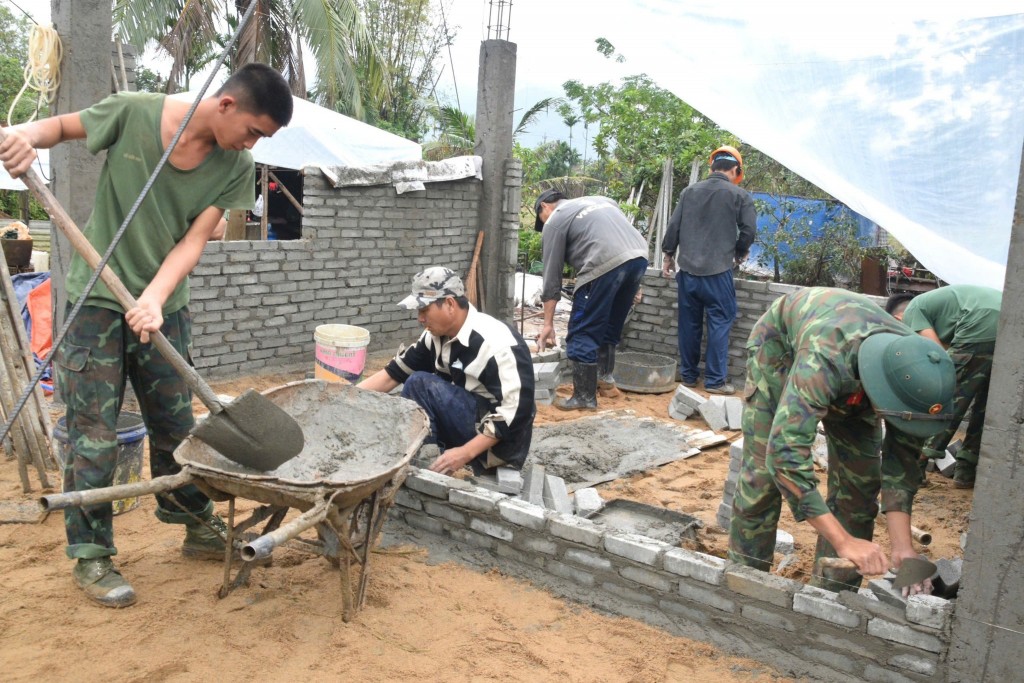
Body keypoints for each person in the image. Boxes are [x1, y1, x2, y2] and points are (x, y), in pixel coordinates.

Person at [0, 63, 293, 608]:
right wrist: (22, 137)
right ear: (226, 104)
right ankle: (91, 554)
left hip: (165, 309)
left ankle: (194, 523)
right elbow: (59, 128)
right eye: (253, 131)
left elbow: (193, 241)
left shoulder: (236, 165)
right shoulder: (134, 112)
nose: (252, 144)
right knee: (93, 433)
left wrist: (155, 298)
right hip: (95, 303)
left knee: (177, 426)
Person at [729, 287, 955, 593]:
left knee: (859, 490)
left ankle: (830, 598)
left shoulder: (916, 382)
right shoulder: (826, 358)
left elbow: (901, 468)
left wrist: (903, 547)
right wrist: (844, 541)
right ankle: (744, 586)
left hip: (859, 372)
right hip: (782, 349)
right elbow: (785, 456)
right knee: (763, 480)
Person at [358, 267, 535, 476]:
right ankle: (428, 459)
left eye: (424, 310)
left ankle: (428, 464)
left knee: (420, 385)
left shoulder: (497, 344)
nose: (420, 318)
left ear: (450, 304)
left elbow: (517, 413)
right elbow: (393, 374)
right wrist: (345, 397)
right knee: (403, 405)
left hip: (498, 448)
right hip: (467, 426)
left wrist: (464, 453)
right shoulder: (435, 337)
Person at [534, 190, 648, 410]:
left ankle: (584, 397)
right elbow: (621, 242)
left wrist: (548, 324)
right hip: (638, 258)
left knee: (583, 330)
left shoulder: (555, 220)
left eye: (541, 220)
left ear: (545, 206)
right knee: (610, 325)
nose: (544, 225)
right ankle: (605, 381)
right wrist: (635, 284)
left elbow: (552, 277)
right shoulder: (603, 200)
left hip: (603, 263)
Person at [661, 145, 756, 395]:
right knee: (720, 323)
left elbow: (673, 226)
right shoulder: (739, 195)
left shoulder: (689, 192)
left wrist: (668, 256)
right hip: (718, 273)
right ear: (735, 170)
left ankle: (689, 376)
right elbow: (748, 230)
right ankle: (715, 381)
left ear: (712, 167)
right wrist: (739, 252)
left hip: (687, 272)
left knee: (689, 325)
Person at [886, 285, 1001, 489]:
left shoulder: (912, 310)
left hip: (978, 323)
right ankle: (966, 470)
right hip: (1010, 322)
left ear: (898, 319)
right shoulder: (941, 307)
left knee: (949, 396)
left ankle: (916, 466)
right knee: (988, 403)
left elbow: (938, 357)